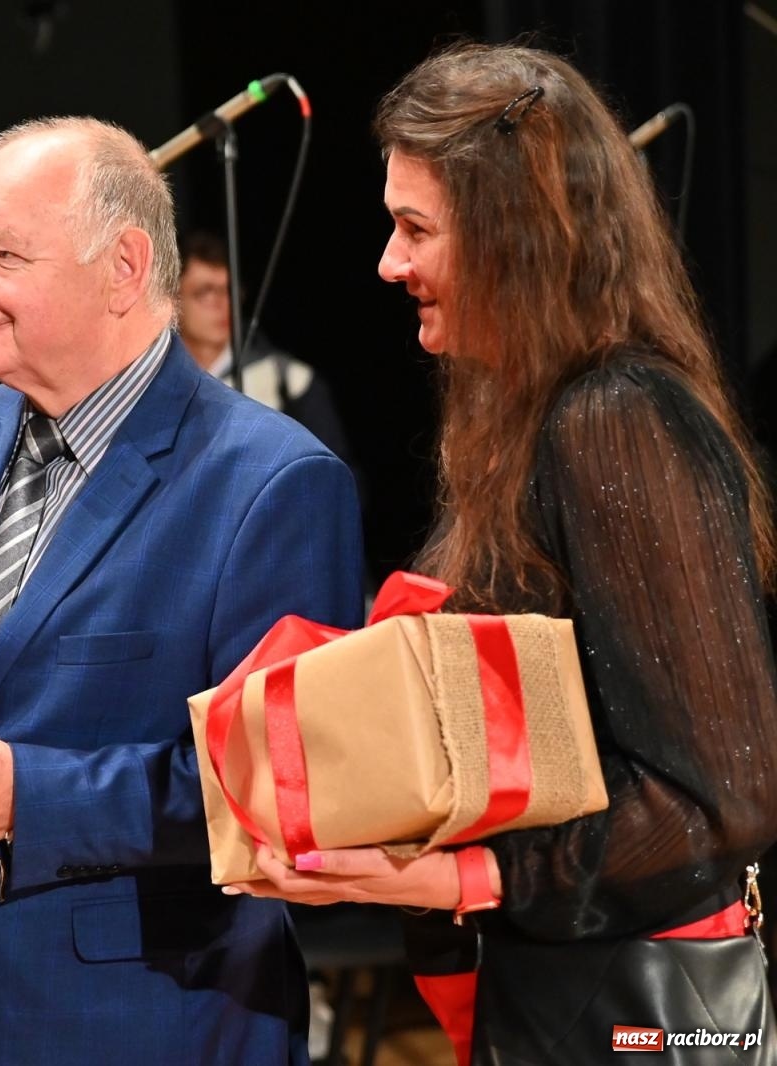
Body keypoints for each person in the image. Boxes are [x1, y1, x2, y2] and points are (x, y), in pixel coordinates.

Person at [232, 42, 777, 1064]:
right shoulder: (514, 422)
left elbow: (721, 799)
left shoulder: (617, 419)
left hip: (632, 1014)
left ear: (510, 236)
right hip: (551, 991)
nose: (389, 264)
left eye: (414, 229)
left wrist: (457, 877)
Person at [0, 116, 364, 1064]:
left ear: (126, 269)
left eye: (3, 255)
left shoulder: (273, 483)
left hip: (149, 1028)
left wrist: (26, 799)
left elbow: (299, 794)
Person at [176, 229, 356, 475]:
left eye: (230, 291)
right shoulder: (159, 383)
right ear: (173, 298)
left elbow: (338, 477)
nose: (223, 304)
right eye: (206, 292)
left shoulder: (291, 381)